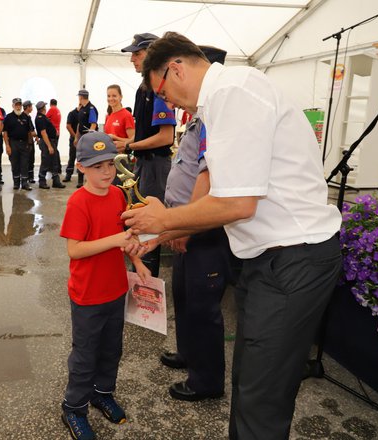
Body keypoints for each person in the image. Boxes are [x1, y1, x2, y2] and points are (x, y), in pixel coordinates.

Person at [122, 32, 343, 440]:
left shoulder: (234, 94)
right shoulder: (222, 100)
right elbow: (216, 185)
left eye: (162, 91)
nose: (164, 103)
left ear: (176, 68)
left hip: (294, 258)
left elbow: (238, 204)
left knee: (261, 397)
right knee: (249, 379)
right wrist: (162, 231)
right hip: (272, 259)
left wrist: (165, 220)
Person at [150, 46, 233, 404]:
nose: (171, 100)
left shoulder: (218, 115)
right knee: (183, 296)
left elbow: (207, 175)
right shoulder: (199, 117)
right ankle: (189, 352)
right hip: (185, 221)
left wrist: (184, 225)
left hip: (201, 227)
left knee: (202, 306)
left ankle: (206, 379)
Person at [60, 131, 150, 440]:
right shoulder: (78, 203)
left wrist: (137, 263)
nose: (107, 172)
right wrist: (115, 240)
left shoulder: (117, 195)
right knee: (85, 355)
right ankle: (74, 407)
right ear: (82, 167)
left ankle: (102, 393)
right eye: (98, 166)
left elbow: (127, 239)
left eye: (110, 163)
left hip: (116, 290)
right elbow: (74, 249)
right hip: (87, 295)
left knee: (112, 349)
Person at [120, 33, 177, 278]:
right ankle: (141, 277)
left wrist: (131, 146)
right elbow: (145, 134)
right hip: (145, 163)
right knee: (141, 219)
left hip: (155, 165)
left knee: (150, 222)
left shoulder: (158, 90)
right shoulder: (142, 89)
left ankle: (148, 283)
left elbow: (166, 137)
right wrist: (126, 142)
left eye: (137, 53)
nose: (132, 58)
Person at [3, 98, 33, 190]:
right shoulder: (8, 117)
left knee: (24, 164)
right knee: (15, 164)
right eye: (16, 105)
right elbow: (5, 133)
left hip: (24, 143)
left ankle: (25, 183)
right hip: (13, 144)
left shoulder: (26, 117)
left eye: (19, 104)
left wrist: (29, 143)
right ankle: (16, 183)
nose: (18, 106)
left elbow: (29, 132)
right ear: (13, 106)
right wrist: (7, 146)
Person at [35, 101, 65, 189]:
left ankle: (56, 180)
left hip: (51, 141)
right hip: (47, 142)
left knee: (54, 161)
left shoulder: (43, 117)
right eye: (44, 106)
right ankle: (42, 180)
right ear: (42, 108)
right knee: (46, 161)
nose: (46, 108)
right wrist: (49, 146)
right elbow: (43, 133)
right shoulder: (40, 118)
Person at [74, 89, 98, 188]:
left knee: (90, 158)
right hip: (81, 137)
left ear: (81, 97)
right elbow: (79, 124)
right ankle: (80, 180)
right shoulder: (82, 109)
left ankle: (91, 179)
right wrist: (76, 137)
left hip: (88, 138)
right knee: (81, 158)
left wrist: (88, 139)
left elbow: (93, 124)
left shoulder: (91, 108)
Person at [63, 105, 80, 182]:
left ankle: (81, 178)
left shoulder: (85, 113)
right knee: (72, 157)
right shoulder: (72, 113)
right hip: (74, 139)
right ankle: (68, 174)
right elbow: (68, 126)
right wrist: (75, 136)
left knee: (82, 158)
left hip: (83, 139)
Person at [46, 98, 62, 176]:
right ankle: (57, 167)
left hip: (52, 133)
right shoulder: (58, 110)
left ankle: (55, 167)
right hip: (57, 132)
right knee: (55, 149)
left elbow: (45, 119)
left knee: (53, 150)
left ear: (50, 103)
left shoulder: (51, 109)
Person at [23, 100, 37, 184]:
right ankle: (27, 177)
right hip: (27, 142)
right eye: (31, 106)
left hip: (30, 141)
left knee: (31, 159)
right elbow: (29, 130)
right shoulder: (23, 117)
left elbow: (32, 129)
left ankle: (30, 177)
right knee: (27, 160)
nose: (32, 108)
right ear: (27, 107)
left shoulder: (28, 117)